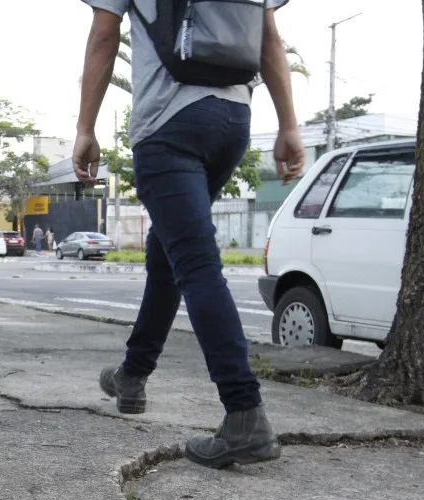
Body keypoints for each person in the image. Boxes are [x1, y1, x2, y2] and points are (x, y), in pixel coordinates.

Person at [74, 0, 304, 468]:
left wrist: (85, 127)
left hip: (168, 125)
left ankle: (244, 414)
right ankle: (132, 376)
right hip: (232, 120)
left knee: (196, 265)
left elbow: (104, 35)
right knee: (169, 254)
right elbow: (269, 39)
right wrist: (288, 125)